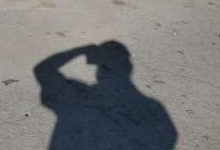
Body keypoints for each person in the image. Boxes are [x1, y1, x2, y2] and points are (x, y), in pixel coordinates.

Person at [34, 41, 177, 150]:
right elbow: (168, 139)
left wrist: (80, 50)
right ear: (128, 68)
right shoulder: (152, 108)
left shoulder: (76, 95)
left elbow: (43, 70)